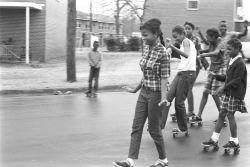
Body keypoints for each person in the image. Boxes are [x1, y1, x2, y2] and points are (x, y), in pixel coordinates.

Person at [113, 18, 171, 167]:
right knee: (136, 126)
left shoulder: (163, 53)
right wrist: (135, 89)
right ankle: (130, 160)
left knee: (153, 129)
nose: (143, 38)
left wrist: (164, 98)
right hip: (144, 92)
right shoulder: (146, 49)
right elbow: (146, 74)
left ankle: (163, 159)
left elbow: (164, 78)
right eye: (142, 35)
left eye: (146, 35)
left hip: (156, 95)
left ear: (156, 34)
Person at [202, 38, 247, 150]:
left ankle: (234, 141)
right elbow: (228, 78)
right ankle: (214, 140)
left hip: (235, 93)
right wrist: (216, 76)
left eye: (230, 49)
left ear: (238, 49)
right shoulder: (231, 60)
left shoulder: (240, 63)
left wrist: (223, 88)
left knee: (230, 115)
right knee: (222, 114)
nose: (227, 51)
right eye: (227, 49)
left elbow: (236, 80)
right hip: (229, 92)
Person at [161, 25, 197, 135]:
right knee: (168, 98)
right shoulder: (183, 43)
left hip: (187, 74)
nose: (175, 39)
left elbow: (186, 55)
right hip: (181, 73)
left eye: (176, 37)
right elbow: (185, 57)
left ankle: (183, 128)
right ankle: (159, 126)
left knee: (179, 103)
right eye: (173, 37)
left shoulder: (186, 41)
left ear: (182, 34)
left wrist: (171, 46)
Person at [191, 28, 226, 123]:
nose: (206, 38)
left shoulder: (220, 42)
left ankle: (222, 117)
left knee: (215, 94)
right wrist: (201, 51)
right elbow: (210, 49)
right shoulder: (212, 42)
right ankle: (199, 116)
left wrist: (203, 55)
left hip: (219, 70)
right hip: (212, 69)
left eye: (208, 36)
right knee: (205, 92)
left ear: (214, 37)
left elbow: (215, 52)